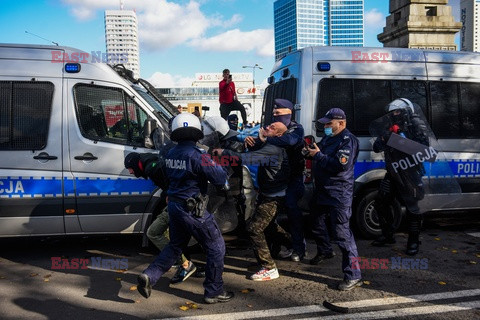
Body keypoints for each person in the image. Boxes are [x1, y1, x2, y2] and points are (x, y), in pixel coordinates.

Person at [136, 113, 234, 304]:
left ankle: (150, 275)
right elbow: (220, 178)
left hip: (174, 206)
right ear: (197, 131)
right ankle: (214, 291)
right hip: (192, 209)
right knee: (216, 246)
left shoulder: (171, 153)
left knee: (175, 246)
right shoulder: (198, 155)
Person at [214, 122, 292, 281]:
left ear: (278, 135)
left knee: (254, 228)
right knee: (269, 226)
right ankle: (294, 243)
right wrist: (257, 141)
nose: (268, 127)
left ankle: (269, 268)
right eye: (270, 125)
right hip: (269, 194)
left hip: (273, 197)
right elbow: (259, 153)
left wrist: (224, 152)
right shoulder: (270, 145)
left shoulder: (273, 149)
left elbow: (247, 159)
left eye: (273, 128)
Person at [305, 108, 362, 291]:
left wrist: (318, 156)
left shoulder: (348, 140)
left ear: (341, 123)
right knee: (315, 220)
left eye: (329, 124)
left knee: (342, 234)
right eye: (325, 124)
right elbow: (320, 152)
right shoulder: (329, 137)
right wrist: (310, 152)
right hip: (323, 190)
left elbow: (340, 165)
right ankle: (325, 250)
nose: (326, 127)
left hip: (339, 193)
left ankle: (353, 275)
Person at [124, 152, 198, 285]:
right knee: (177, 235)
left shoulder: (152, 168)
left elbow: (170, 180)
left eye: (130, 168)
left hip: (178, 202)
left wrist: (170, 194)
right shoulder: (152, 160)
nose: (130, 172)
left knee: (153, 232)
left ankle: (185, 264)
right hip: (184, 201)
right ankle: (187, 264)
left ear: (136, 164)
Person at [246, 98, 306, 262]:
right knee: (271, 219)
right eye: (273, 114)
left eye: (278, 113)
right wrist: (253, 143)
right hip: (276, 180)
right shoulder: (273, 130)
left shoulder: (296, 129)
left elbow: (289, 141)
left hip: (292, 179)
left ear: (288, 113)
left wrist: (266, 139)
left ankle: (299, 248)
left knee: (292, 212)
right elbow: (261, 147)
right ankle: (275, 249)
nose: (275, 117)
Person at [371, 98, 429, 256]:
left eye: (397, 112)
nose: (394, 114)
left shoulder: (415, 124)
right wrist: (385, 137)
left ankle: (414, 241)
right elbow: (376, 147)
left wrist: (399, 139)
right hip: (393, 171)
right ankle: (387, 234)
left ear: (406, 112)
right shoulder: (388, 125)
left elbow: (424, 149)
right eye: (392, 112)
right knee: (381, 202)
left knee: (413, 208)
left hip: (410, 172)